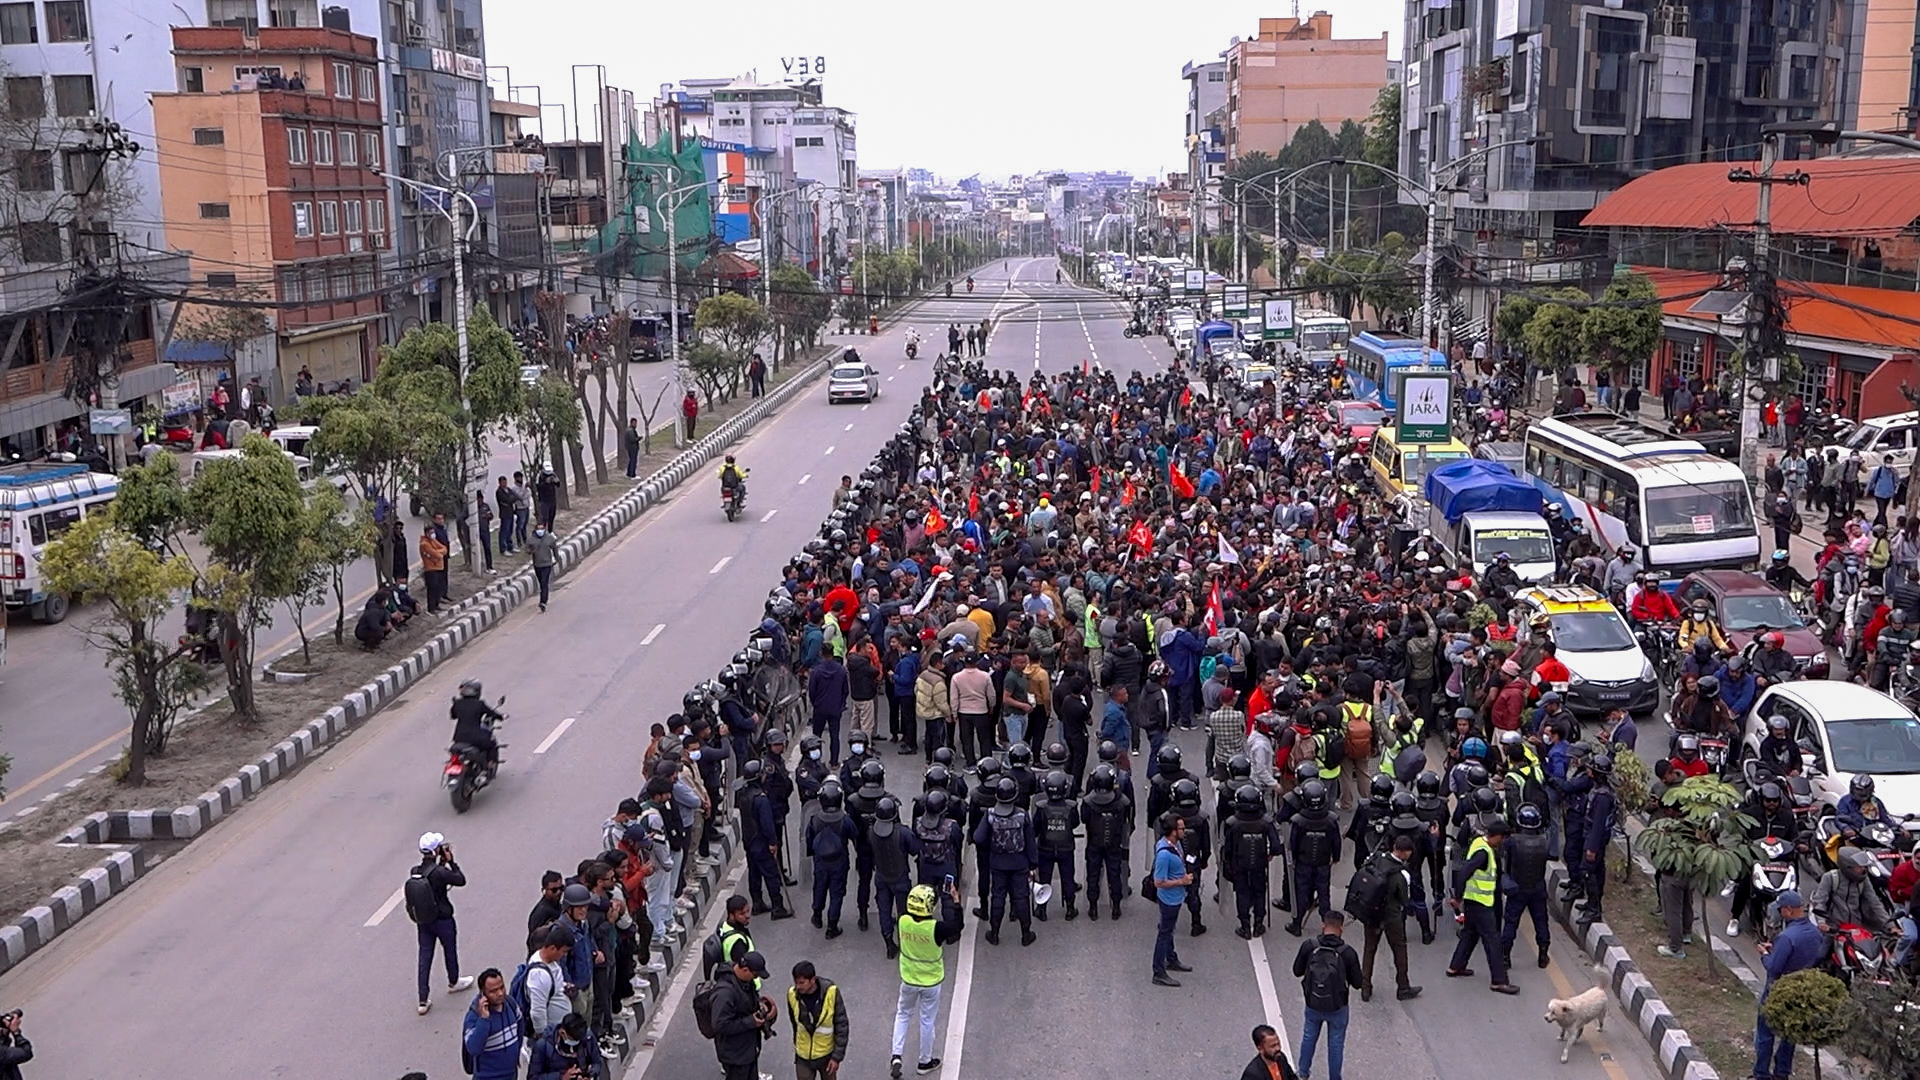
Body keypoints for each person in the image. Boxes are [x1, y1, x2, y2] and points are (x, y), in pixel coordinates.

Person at [890, 881, 964, 1078]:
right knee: (927, 1021)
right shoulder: (936, 928)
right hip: (931, 982)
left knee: (903, 1015)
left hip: (908, 979)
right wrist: (956, 901)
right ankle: (924, 1061)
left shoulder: (903, 920)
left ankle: (896, 1055)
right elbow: (957, 926)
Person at [1752, 891, 1827, 1080]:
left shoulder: (1786, 936)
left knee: (1765, 1035)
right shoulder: (1815, 933)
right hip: (1799, 991)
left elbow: (1774, 968)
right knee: (1790, 1035)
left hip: (1777, 991)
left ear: (1788, 910)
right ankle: (1782, 1073)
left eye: (1781, 909)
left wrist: (1765, 954)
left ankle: (1761, 1074)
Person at [1448, 817, 1520, 995]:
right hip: (1481, 903)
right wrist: (1457, 897)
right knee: (1493, 941)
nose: (1502, 842)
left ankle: (1456, 966)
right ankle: (1499, 980)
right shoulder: (1484, 853)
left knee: (1470, 934)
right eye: (1502, 838)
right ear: (1496, 836)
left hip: (1474, 900)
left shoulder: (1480, 842)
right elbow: (1465, 871)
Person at [406, 831, 474, 1014]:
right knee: (449, 949)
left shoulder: (416, 872)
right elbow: (460, 879)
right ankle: (453, 980)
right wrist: (451, 861)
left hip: (424, 922)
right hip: (443, 920)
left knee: (424, 957)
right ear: (436, 850)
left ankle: (422, 999)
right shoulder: (440, 872)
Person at [1292, 910, 1361, 1080]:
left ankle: (1303, 1073)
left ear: (1323, 924)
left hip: (1313, 1002)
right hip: (1338, 1006)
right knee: (1336, 1044)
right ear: (1341, 927)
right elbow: (1358, 983)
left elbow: (1297, 971)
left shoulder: (1310, 946)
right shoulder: (1347, 952)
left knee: (1309, 1037)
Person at [1356, 834, 1421, 1002]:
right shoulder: (1401, 873)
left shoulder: (1376, 858)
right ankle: (1403, 987)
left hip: (1371, 913)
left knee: (1369, 949)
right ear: (1404, 852)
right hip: (1391, 916)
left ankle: (1365, 987)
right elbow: (1405, 899)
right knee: (1399, 950)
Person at [974, 776, 1038, 946]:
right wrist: (1033, 864)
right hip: (1019, 863)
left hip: (998, 863)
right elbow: (1030, 842)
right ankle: (1026, 934)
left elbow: (978, 838)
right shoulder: (1022, 815)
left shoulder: (990, 815)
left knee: (998, 896)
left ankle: (994, 933)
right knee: (1021, 897)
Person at [709, 950, 777, 1080]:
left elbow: (748, 1000)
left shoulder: (742, 982)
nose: (755, 979)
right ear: (745, 970)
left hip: (748, 1049)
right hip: (735, 1055)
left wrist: (760, 1005)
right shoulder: (725, 994)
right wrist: (751, 1022)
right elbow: (720, 1025)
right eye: (755, 975)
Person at [806, 780, 858, 936]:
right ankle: (832, 926)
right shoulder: (845, 819)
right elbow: (855, 835)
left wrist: (813, 854)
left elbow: (809, 839)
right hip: (839, 862)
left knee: (819, 888)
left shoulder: (815, 819)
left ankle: (817, 916)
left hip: (821, 862)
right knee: (837, 893)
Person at [1151, 811, 1196, 986]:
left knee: (1168, 929)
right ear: (1172, 831)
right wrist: (1182, 881)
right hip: (1169, 899)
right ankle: (1158, 971)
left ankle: (1171, 958)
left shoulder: (1175, 845)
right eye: (1181, 828)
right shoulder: (1164, 854)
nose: (1184, 831)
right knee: (1164, 933)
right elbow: (1158, 882)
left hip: (1175, 897)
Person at [786, 960, 848, 1080]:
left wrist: (836, 1057)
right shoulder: (792, 995)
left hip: (826, 1056)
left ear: (813, 980)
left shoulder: (831, 993)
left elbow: (841, 1025)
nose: (798, 987)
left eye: (802, 983)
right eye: (796, 983)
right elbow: (794, 1023)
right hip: (803, 1057)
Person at [460, 968, 524, 1080]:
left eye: (502, 987)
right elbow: (473, 1048)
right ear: (483, 993)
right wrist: (484, 1019)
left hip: (511, 1075)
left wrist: (516, 1052)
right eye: (493, 991)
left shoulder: (511, 1004)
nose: (500, 993)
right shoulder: (474, 1017)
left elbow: (520, 1027)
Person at [524, 923, 576, 1036]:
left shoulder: (551, 963)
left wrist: (565, 986)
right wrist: (544, 1035)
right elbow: (537, 1011)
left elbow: (552, 987)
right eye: (564, 951)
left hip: (560, 1026)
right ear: (552, 948)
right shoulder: (539, 975)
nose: (565, 955)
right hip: (552, 1032)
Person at [449, 679, 503, 772]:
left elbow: (453, 716)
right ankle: (490, 763)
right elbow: (492, 713)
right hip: (475, 737)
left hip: (458, 738)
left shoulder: (458, 703)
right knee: (492, 743)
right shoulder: (479, 704)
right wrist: (501, 717)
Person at [528, 522, 559, 612]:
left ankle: (543, 601)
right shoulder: (531, 540)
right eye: (538, 529)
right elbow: (527, 550)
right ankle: (543, 598)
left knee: (544, 583)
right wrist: (531, 551)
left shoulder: (549, 538)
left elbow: (555, 547)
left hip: (547, 564)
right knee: (541, 582)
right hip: (537, 564)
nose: (540, 531)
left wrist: (556, 558)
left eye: (542, 529)